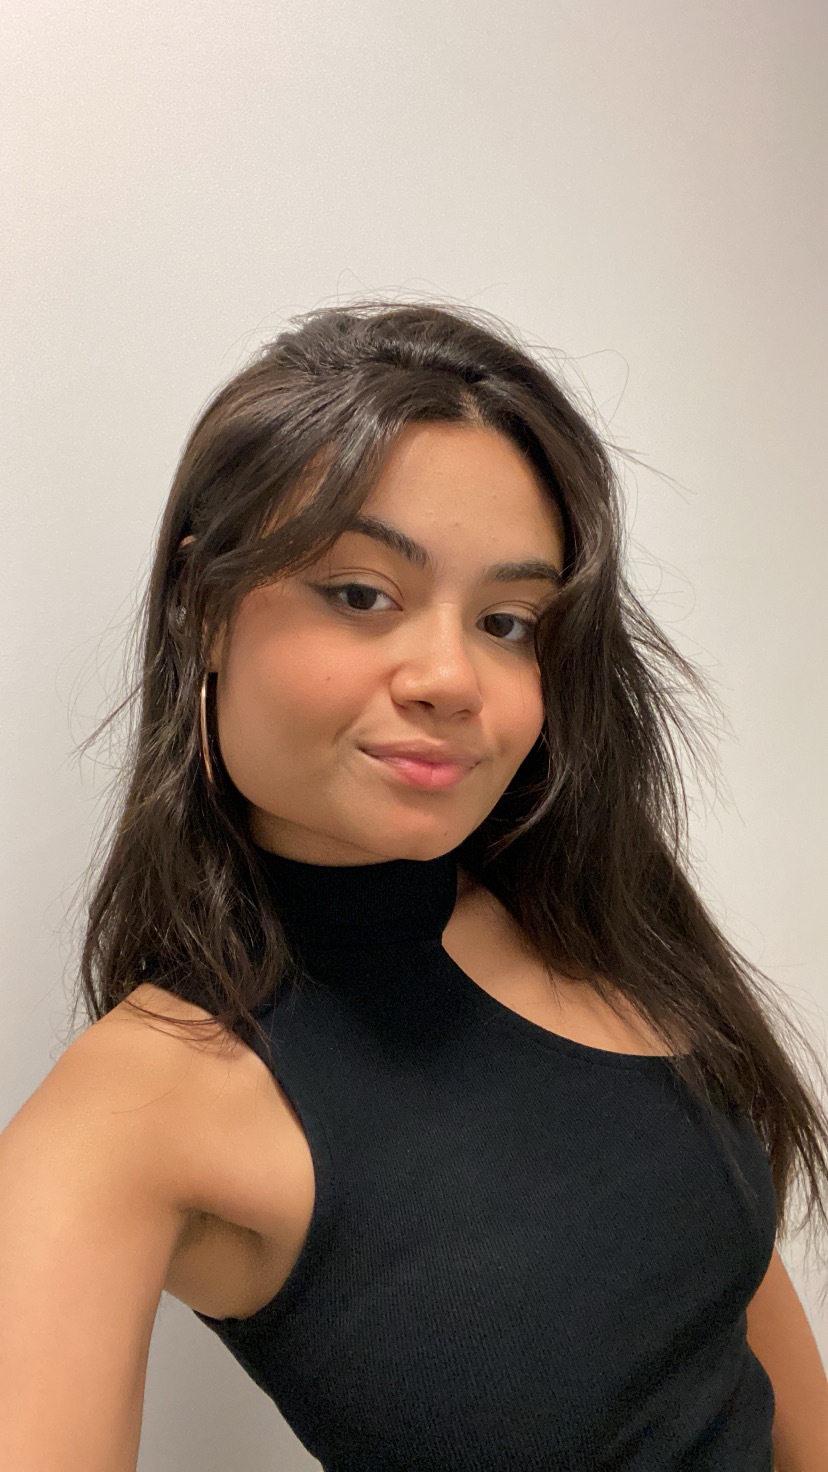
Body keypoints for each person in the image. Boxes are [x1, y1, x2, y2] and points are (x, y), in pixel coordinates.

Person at [1, 301, 827, 1470]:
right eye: (361, 593)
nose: (451, 675)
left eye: (507, 621)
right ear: (203, 607)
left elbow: (744, 1347)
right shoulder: (128, 1115)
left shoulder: (582, 911)